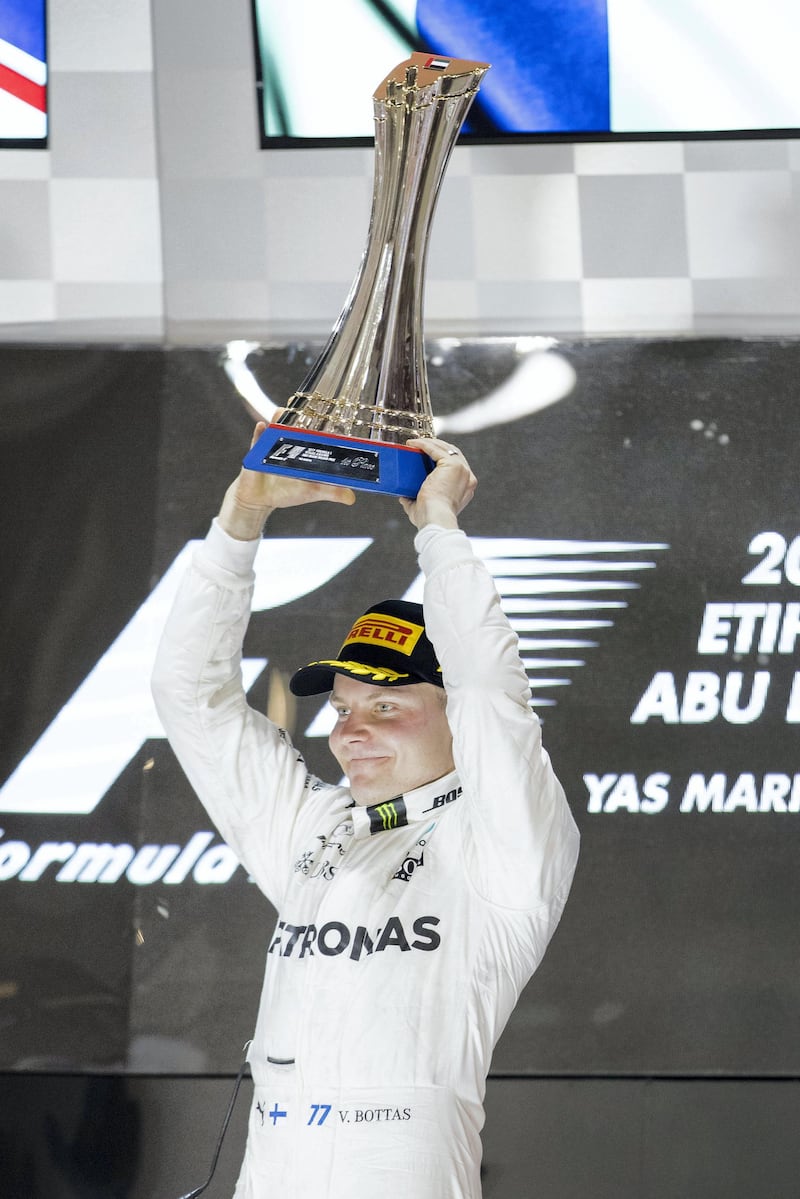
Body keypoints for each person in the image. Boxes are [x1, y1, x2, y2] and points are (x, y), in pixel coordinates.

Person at [151, 423, 580, 1199]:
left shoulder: (503, 846)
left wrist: (439, 531)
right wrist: (239, 521)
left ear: (456, 717)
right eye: (346, 706)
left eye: (388, 702)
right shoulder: (314, 832)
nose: (352, 729)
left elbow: (491, 691)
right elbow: (193, 698)